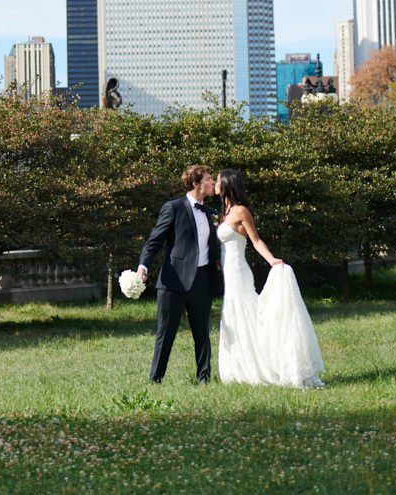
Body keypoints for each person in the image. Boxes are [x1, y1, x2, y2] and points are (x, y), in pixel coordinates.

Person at [216, 169, 325, 388]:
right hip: (227, 272)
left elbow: (256, 241)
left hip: (238, 271)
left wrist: (272, 260)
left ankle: (261, 367)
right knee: (232, 315)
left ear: (227, 184)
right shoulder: (224, 212)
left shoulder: (240, 211)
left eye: (218, 180)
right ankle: (238, 368)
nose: (215, 184)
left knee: (245, 314)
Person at [137, 165, 222, 383]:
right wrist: (143, 266)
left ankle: (204, 378)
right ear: (196, 184)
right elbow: (154, 241)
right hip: (173, 281)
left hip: (202, 280)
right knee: (165, 334)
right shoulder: (173, 207)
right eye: (209, 179)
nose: (212, 183)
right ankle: (156, 379)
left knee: (202, 332)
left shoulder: (212, 213)